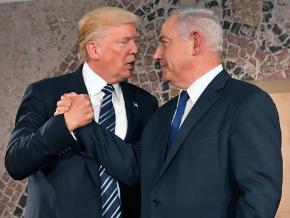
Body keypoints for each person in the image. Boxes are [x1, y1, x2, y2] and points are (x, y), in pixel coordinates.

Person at [57, 7, 282, 218]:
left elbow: (259, 197)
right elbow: (134, 166)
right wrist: (83, 123)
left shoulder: (247, 103)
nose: (155, 54)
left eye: (164, 43)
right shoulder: (163, 114)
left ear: (195, 42)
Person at [5, 7, 158, 218]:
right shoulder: (44, 93)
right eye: (124, 41)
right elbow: (16, 163)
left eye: (135, 41)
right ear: (93, 49)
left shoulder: (145, 102)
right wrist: (62, 125)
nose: (135, 49)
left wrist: (84, 126)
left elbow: (141, 171)